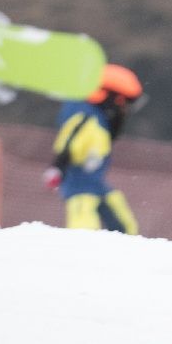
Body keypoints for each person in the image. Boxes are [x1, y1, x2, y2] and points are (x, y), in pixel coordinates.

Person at [45, 63, 144, 233]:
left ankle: (129, 251)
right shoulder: (85, 117)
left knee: (125, 225)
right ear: (113, 98)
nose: (124, 110)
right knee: (83, 228)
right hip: (79, 187)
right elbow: (67, 142)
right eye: (123, 103)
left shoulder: (101, 121)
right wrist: (57, 168)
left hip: (96, 184)